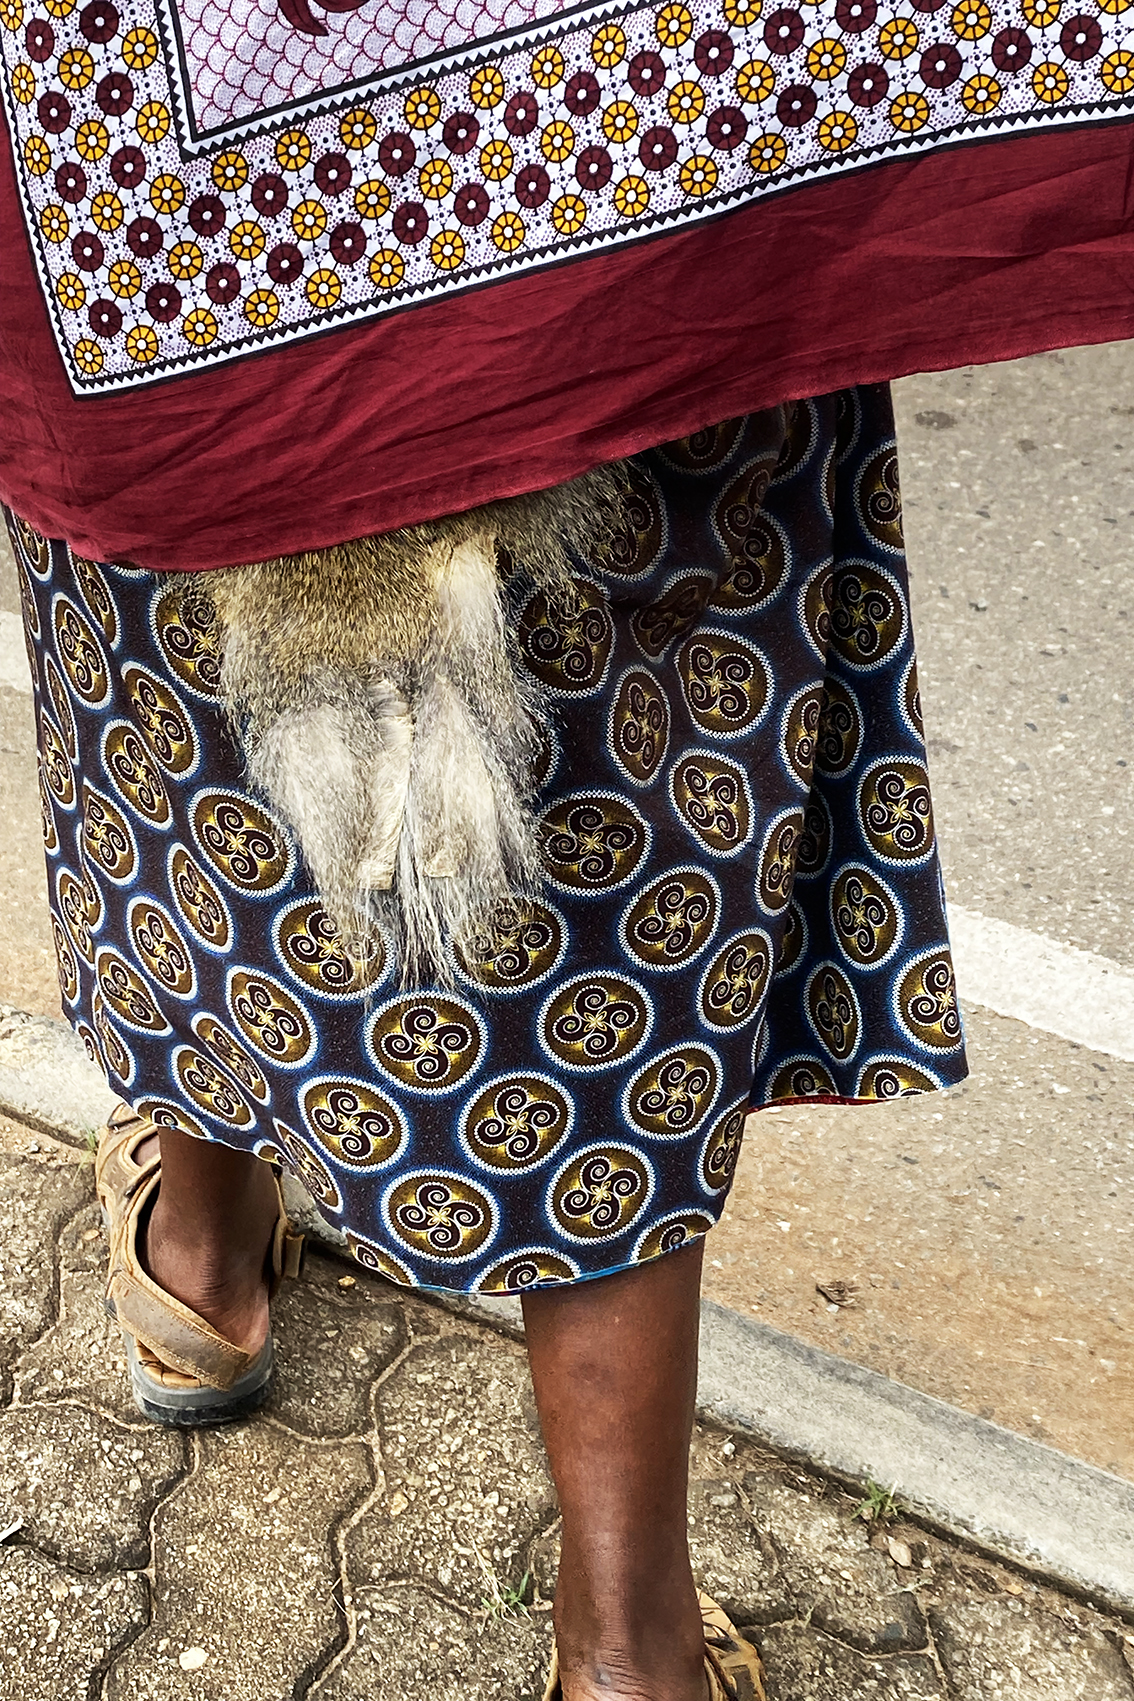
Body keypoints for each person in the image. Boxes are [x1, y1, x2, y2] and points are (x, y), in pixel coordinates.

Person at [3, 0, 1132, 1689]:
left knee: (188, 664)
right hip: (620, 178)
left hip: (165, 222)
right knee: (614, 845)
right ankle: (625, 1646)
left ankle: (200, 1275)